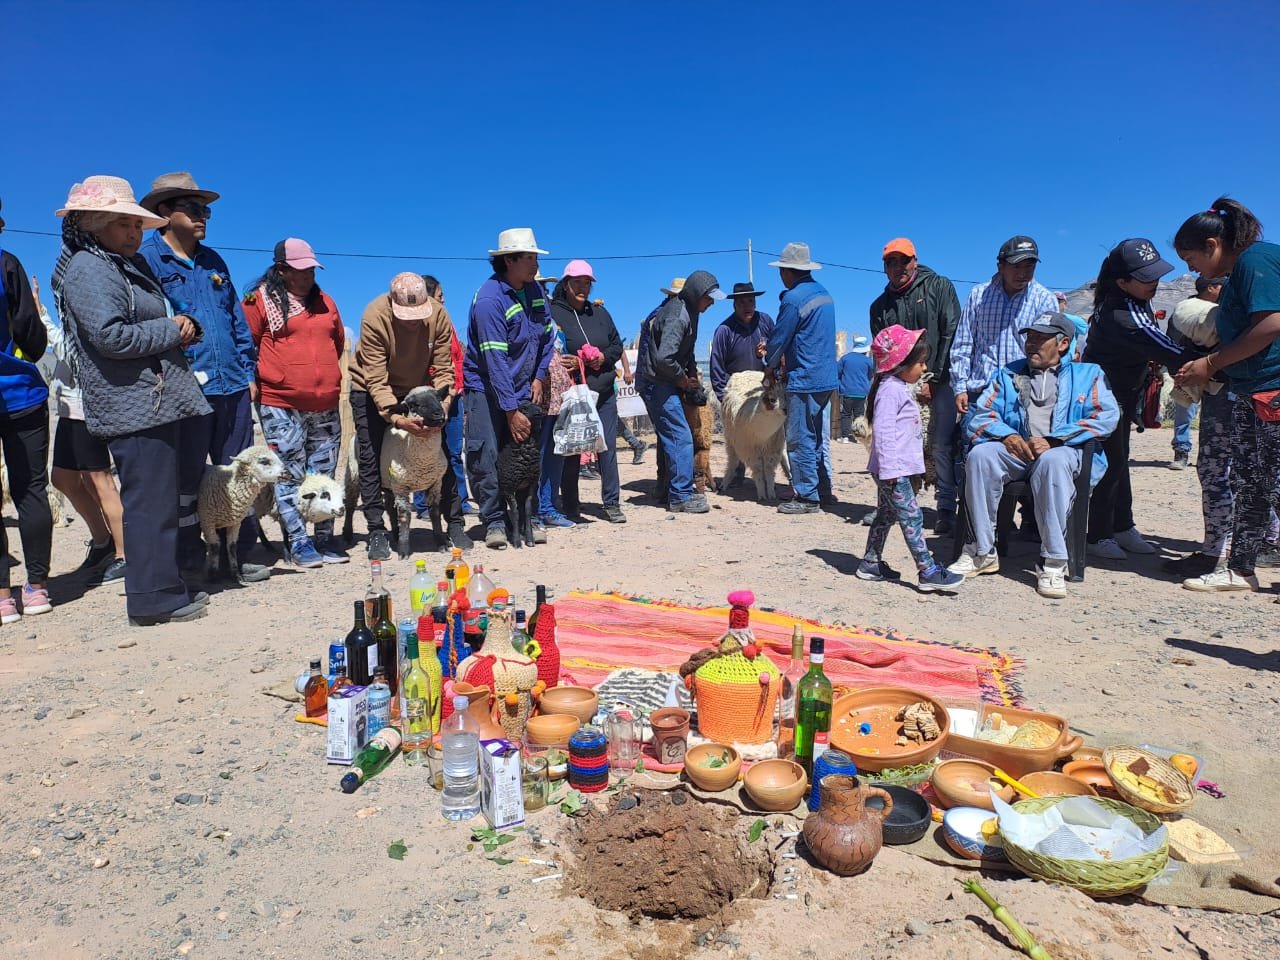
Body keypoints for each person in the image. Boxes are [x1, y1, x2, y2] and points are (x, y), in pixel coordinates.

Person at [52, 175, 211, 626]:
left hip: (151, 400)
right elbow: (110, 336)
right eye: (123, 224)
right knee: (149, 503)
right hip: (132, 403)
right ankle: (152, 598)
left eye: (136, 225)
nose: (133, 233)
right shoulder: (88, 268)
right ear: (93, 224)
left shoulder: (120, 264)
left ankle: (163, 587)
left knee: (158, 499)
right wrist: (171, 329)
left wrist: (184, 326)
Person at [138, 172, 268, 583]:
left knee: (238, 473)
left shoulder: (214, 262)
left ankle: (239, 554)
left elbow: (235, 320)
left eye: (206, 211)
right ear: (164, 212)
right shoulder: (147, 261)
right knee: (187, 476)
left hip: (232, 385)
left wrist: (248, 371)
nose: (202, 217)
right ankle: (192, 560)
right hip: (184, 388)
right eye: (193, 209)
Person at [949, 313, 1119, 598]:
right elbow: (982, 414)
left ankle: (1053, 561)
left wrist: (1055, 440)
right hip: (1018, 450)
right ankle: (981, 551)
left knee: (1052, 461)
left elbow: (1106, 417)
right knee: (981, 456)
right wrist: (1008, 436)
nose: (1031, 343)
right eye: (1030, 337)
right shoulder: (1009, 373)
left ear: (1063, 344)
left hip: (1063, 451)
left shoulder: (1088, 375)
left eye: (1041, 338)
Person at [1174, 197, 1280, 592]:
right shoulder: (1241, 270)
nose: (1191, 269)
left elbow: (1271, 324)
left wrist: (1211, 363)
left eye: (1191, 259)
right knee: (1251, 480)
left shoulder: (1256, 261)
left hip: (1273, 390)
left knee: (1273, 480)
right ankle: (1241, 568)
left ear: (1212, 245)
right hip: (1251, 390)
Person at [1081, 238, 1200, 560]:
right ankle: (1098, 534)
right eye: (1146, 277)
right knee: (1110, 463)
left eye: (1156, 274)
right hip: (1104, 398)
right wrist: (1212, 360)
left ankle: (1122, 526)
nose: (1155, 282)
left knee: (1120, 461)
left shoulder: (1134, 300)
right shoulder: (1123, 315)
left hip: (1122, 394)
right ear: (1122, 282)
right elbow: (1166, 349)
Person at [242, 239, 346, 566]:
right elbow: (246, 344)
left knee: (324, 474)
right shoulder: (259, 301)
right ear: (281, 269)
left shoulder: (325, 302)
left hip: (325, 402)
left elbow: (337, 342)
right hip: (280, 402)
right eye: (299, 270)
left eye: (311, 270)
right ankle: (298, 542)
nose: (307, 276)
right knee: (289, 472)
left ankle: (325, 538)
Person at [349, 272, 464, 556]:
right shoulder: (375, 316)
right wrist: (398, 419)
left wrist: (442, 407)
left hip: (417, 389)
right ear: (392, 302)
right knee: (371, 455)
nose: (413, 321)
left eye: (418, 315)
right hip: (370, 389)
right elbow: (376, 380)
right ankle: (377, 530)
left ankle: (454, 523)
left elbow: (444, 368)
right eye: (406, 316)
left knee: (442, 452)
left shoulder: (438, 315)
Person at [464, 228, 554, 549]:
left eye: (534, 257)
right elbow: (495, 360)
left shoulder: (536, 292)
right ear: (508, 261)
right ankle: (494, 520)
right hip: (486, 389)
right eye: (528, 258)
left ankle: (528, 518)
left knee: (525, 455)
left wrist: (539, 376)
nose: (535, 264)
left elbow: (547, 338)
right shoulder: (490, 300)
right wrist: (510, 409)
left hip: (524, 385)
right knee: (486, 454)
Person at [857, 325, 964, 593]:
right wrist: (892, 470)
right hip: (893, 472)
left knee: (886, 515)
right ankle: (927, 571)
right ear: (900, 363)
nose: (924, 367)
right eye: (920, 362)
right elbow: (883, 433)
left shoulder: (896, 387)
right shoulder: (891, 391)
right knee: (913, 517)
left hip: (891, 470)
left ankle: (870, 563)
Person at [35, 275, 127, 585]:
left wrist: (42, 318)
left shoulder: (90, 313)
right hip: (70, 409)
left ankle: (125, 554)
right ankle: (103, 542)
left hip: (86, 409)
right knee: (63, 478)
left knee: (101, 481)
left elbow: (72, 354)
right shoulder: (72, 313)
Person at [869, 238, 963, 533]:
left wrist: (935, 378)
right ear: (884, 267)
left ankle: (945, 507)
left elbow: (951, 332)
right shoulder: (880, 307)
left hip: (938, 379)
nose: (899, 267)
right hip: (898, 385)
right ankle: (892, 504)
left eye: (904, 260)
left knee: (940, 445)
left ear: (915, 261)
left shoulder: (939, 287)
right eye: (891, 262)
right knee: (893, 443)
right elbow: (882, 352)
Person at [0, 199, 54, 623]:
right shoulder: (7, 264)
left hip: (18, 396)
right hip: (21, 393)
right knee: (31, 490)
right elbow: (31, 332)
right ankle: (36, 588)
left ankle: (2, 596)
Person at [636, 270, 724, 514]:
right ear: (696, 294)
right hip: (658, 383)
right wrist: (683, 380)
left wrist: (692, 373)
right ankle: (680, 496)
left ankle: (671, 490)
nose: (712, 303)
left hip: (666, 382)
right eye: (709, 297)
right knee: (680, 436)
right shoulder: (677, 316)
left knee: (672, 437)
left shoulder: (691, 312)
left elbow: (687, 349)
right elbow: (665, 358)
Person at [764, 242, 837, 514]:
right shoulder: (824, 294)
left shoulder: (793, 299)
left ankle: (806, 496)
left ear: (787, 271)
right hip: (826, 377)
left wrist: (769, 365)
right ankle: (823, 490)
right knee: (816, 438)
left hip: (804, 377)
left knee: (799, 438)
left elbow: (779, 338)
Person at [553, 260, 627, 523]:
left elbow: (616, 345)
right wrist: (576, 363)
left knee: (607, 447)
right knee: (573, 449)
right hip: (573, 394)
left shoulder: (600, 313)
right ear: (566, 284)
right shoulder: (553, 313)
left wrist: (602, 358)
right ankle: (570, 504)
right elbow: (552, 351)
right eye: (577, 282)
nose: (582, 288)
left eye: (587, 283)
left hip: (604, 391)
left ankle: (612, 502)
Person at [950, 236, 1058, 412]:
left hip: (1022, 394)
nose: (1023, 274)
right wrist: (960, 387)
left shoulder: (1045, 300)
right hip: (979, 392)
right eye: (1016, 266)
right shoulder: (979, 295)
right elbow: (964, 342)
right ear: (1000, 266)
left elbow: (1049, 353)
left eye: (1029, 267)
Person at [413, 276, 470, 518]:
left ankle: (459, 502)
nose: (444, 300)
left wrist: (458, 387)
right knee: (425, 451)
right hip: (430, 398)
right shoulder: (417, 327)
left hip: (454, 395)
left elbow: (456, 358)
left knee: (454, 451)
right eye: (440, 295)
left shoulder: (447, 323)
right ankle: (424, 504)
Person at [1166, 276, 1225, 470]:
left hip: (1218, 370)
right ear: (1210, 288)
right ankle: (1181, 451)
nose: (1224, 290)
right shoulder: (1186, 311)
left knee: (1216, 416)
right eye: (1220, 286)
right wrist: (1179, 368)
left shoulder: (1223, 309)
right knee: (1185, 410)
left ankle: (1214, 457)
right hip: (1190, 369)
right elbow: (1172, 341)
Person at [836, 337, 873, 442]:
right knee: (859, 416)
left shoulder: (845, 358)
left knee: (845, 414)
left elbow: (837, 372)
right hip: (861, 393)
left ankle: (845, 437)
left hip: (846, 391)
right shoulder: (868, 361)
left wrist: (839, 386)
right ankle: (858, 436)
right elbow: (870, 375)